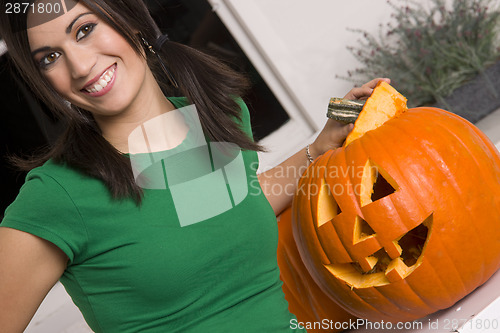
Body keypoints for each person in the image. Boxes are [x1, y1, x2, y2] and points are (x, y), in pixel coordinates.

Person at [0, 0, 388, 332]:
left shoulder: (220, 116)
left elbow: (223, 212)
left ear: (130, 20)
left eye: (84, 30)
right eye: (50, 57)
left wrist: (317, 150)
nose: (81, 66)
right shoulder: (58, 195)